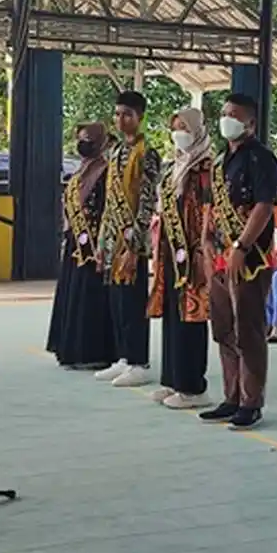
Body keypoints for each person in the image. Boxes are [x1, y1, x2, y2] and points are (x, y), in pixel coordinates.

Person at [198, 93, 277, 430]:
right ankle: (230, 396)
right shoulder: (220, 161)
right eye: (224, 112)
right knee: (223, 327)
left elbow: (264, 205)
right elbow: (211, 205)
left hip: (249, 257)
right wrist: (205, 240)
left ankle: (250, 401)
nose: (227, 119)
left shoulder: (262, 158)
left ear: (251, 123)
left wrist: (242, 246)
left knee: (248, 328)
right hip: (218, 255)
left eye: (234, 114)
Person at [94, 90, 161, 389]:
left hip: (133, 239)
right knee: (116, 301)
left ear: (140, 117)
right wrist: (102, 242)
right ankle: (123, 356)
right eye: (118, 114)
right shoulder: (115, 152)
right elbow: (110, 201)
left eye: (128, 115)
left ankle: (138, 361)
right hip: (112, 238)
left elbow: (147, 201)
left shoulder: (147, 153)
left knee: (133, 302)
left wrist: (135, 245)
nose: (121, 120)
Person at [148, 107, 214, 410]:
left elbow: (209, 212)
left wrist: (204, 249)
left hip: (194, 252)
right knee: (173, 315)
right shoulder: (174, 165)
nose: (179, 134)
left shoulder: (206, 168)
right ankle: (172, 379)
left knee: (191, 317)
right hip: (171, 251)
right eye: (175, 128)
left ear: (198, 130)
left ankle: (193, 387)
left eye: (185, 128)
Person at [50, 123, 114, 369]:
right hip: (75, 242)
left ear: (100, 142)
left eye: (88, 139)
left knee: (91, 296)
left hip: (95, 245)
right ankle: (70, 349)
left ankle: (93, 352)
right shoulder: (79, 172)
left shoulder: (106, 172)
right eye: (81, 138)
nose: (83, 143)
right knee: (73, 293)